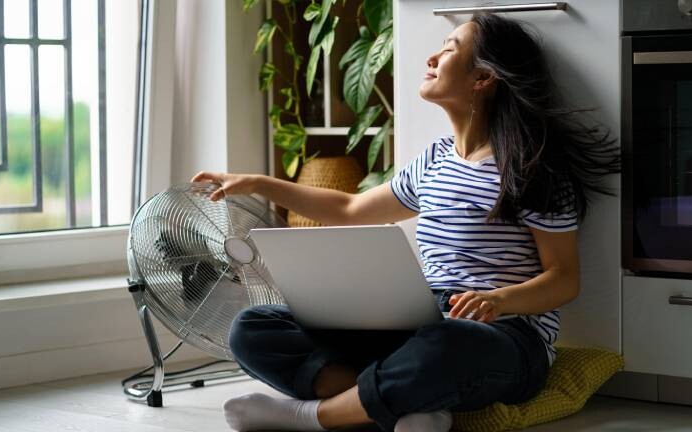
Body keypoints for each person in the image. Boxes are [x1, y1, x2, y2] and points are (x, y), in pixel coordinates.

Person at [191, 12, 619, 432]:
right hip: (421, 320)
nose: (431, 58)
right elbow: (349, 211)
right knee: (254, 328)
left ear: (483, 78)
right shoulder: (435, 159)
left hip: (504, 338)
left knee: (447, 345)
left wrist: (501, 300)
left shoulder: (531, 168)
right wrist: (259, 183)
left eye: (449, 50)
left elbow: (564, 280)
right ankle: (405, 402)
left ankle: (312, 417)